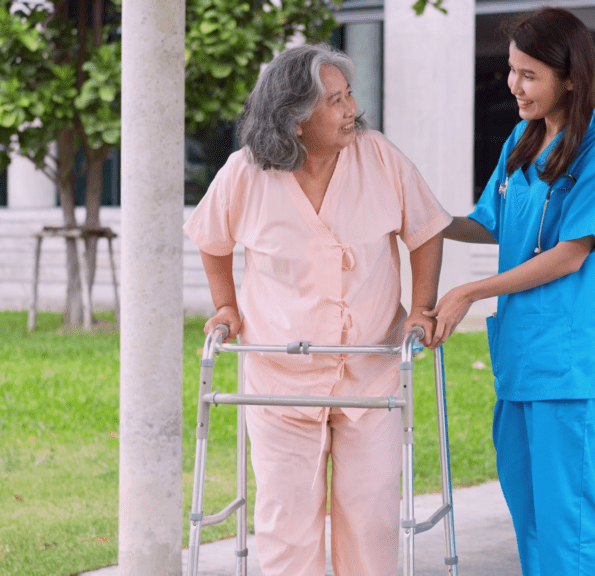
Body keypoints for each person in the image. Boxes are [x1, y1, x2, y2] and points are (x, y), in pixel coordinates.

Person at [183, 44, 449, 576]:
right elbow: (212, 238)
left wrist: (421, 307)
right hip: (280, 376)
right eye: (334, 100)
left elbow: (425, 229)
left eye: (348, 95)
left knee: (370, 517)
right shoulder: (244, 172)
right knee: (287, 521)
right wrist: (226, 306)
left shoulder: (378, 156)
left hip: (370, 370)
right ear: (295, 119)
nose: (350, 108)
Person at [425, 8, 595, 576]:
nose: (515, 86)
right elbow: (489, 223)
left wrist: (469, 291)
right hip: (520, 357)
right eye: (513, 71)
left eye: (530, 74)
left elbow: (569, 254)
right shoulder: (522, 137)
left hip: (567, 361)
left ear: (571, 76)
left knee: (567, 521)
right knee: (529, 515)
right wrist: (422, 216)